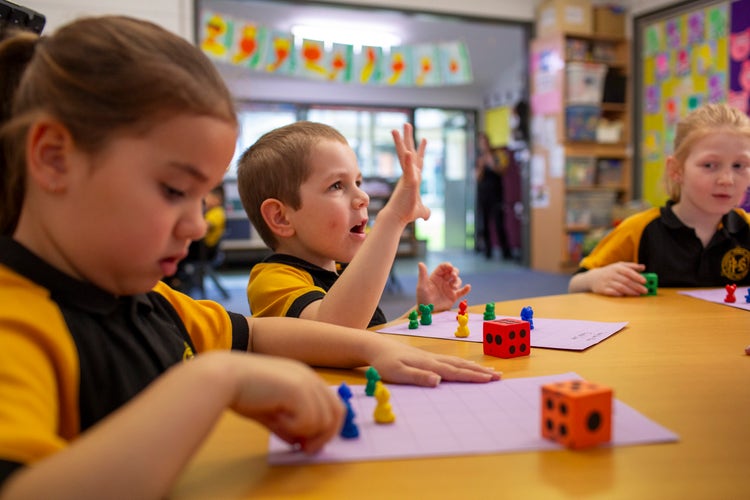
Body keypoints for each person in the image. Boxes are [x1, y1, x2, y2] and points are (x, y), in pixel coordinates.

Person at [0, 16, 499, 498]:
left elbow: (252, 332)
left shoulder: (154, 299)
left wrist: (371, 348)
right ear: (53, 158)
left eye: (203, 198)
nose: (198, 225)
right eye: (174, 190)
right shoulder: (15, 325)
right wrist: (215, 378)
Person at [236, 121, 471, 330]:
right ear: (281, 217)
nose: (363, 197)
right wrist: (392, 218)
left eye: (358, 182)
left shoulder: (344, 271)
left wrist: (422, 313)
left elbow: (369, 337)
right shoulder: (272, 281)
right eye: (337, 185)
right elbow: (335, 335)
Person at [569, 103, 750, 296]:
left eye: (739, 165)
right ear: (676, 170)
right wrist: (596, 278)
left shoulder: (746, 227)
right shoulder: (639, 229)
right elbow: (575, 284)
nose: (727, 180)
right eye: (710, 165)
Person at [475, 131, 512, 260]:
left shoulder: (496, 155)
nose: (483, 144)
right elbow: (477, 177)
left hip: (496, 194)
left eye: (485, 141)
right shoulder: (479, 158)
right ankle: (487, 251)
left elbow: (502, 171)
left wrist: (491, 162)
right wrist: (481, 165)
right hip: (483, 194)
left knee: (499, 223)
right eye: (481, 142)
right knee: (484, 223)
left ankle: (506, 251)